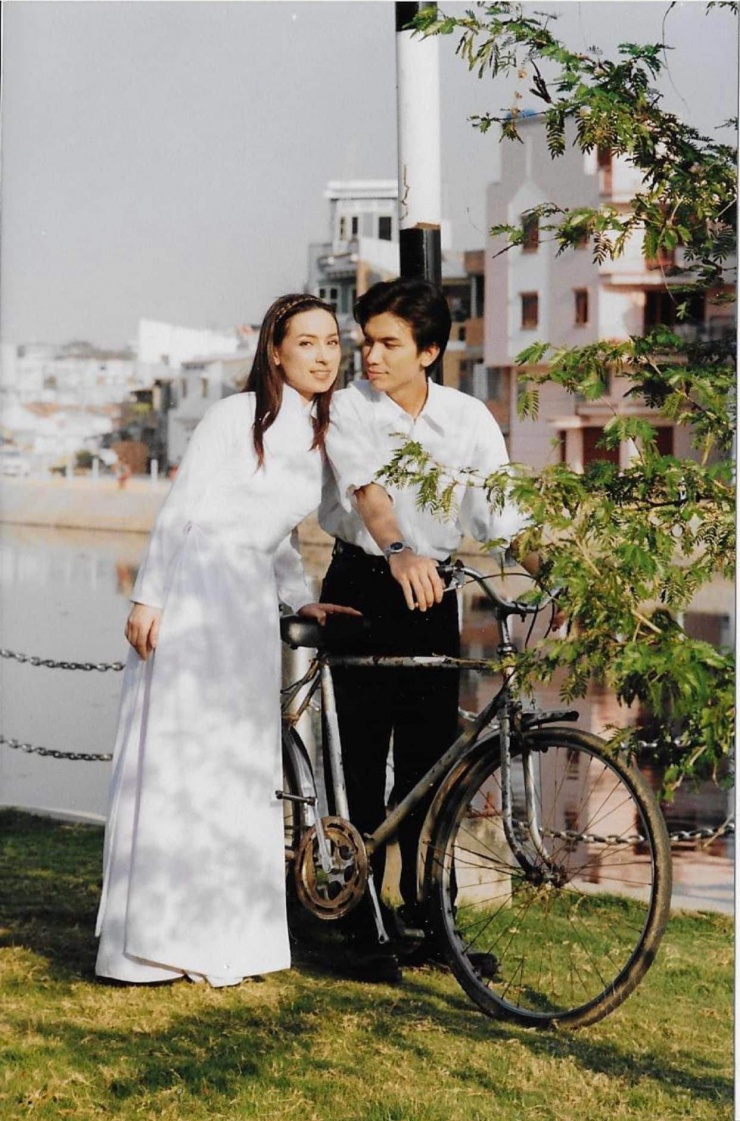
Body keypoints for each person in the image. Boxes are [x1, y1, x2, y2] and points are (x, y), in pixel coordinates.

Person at [95, 293, 359, 987]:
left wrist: (299, 595)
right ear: (275, 349)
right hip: (194, 590)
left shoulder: (318, 434)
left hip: (245, 602)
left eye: (332, 342)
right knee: (185, 755)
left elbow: (276, 538)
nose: (323, 356)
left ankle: (225, 939)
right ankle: (153, 943)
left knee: (238, 761)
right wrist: (149, 596)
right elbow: (182, 510)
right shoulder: (233, 417)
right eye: (307, 342)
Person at [319, 277, 536, 983]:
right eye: (366, 341)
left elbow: (503, 518)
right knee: (358, 760)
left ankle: (428, 915)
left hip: (432, 593)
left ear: (429, 351)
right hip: (362, 585)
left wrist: (562, 575)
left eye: (388, 343)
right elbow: (369, 494)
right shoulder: (349, 407)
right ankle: (356, 916)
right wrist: (397, 550)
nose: (371, 355)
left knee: (429, 764)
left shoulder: (467, 417)